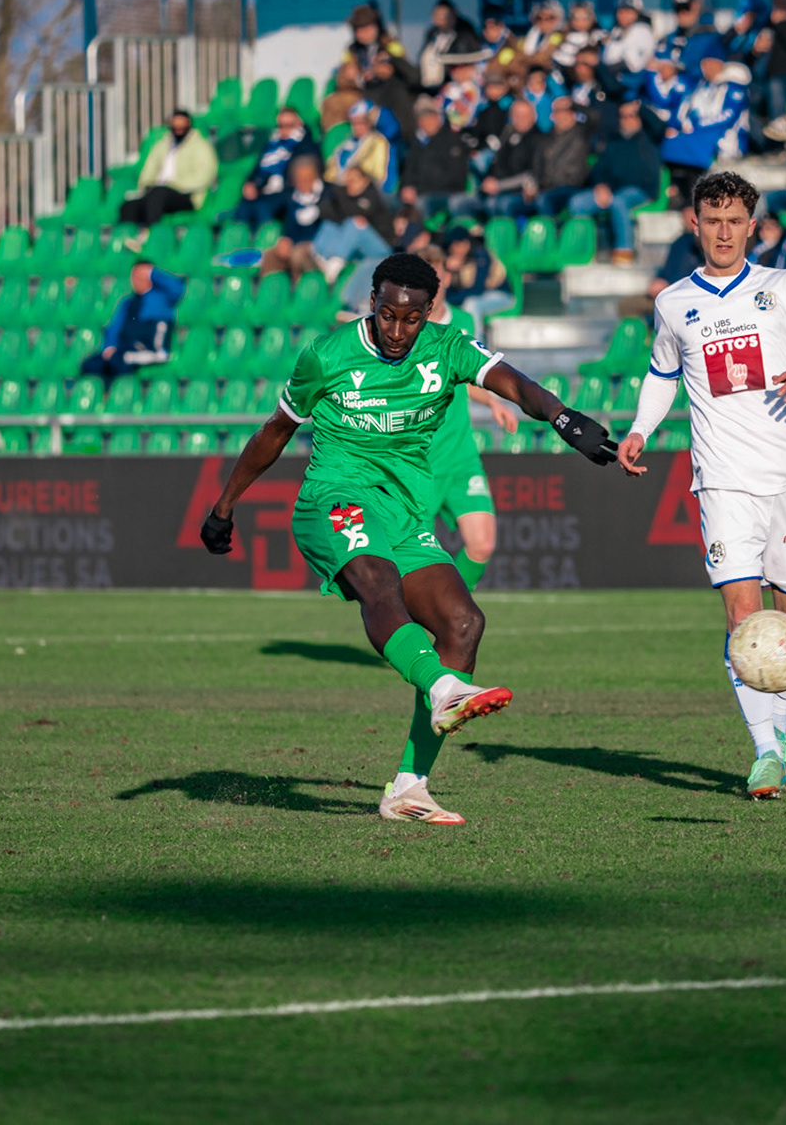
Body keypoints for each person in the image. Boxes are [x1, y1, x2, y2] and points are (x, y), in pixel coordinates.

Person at [198, 252, 616, 825]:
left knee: (463, 624)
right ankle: (441, 686)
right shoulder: (327, 354)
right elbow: (275, 432)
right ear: (372, 302)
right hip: (334, 497)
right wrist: (224, 506)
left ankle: (409, 787)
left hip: (402, 512)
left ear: (429, 312)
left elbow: (514, 383)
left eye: (411, 318)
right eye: (388, 315)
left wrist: (563, 418)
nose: (397, 330)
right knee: (379, 583)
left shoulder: (448, 347)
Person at [616, 170, 786, 800]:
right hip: (722, 481)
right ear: (694, 224)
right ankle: (764, 752)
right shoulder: (674, 303)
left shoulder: (785, 289)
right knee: (742, 615)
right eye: (712, 221)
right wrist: (640, 428)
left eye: (734, 222)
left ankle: (778, 729)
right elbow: (662, 374)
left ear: (753, 227)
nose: (723, 233)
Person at [421, 251, 518, 591]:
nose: (432, 288)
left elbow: (468, 375)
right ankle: (418, 614)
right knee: (415, 558)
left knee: (482, 544)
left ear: (447, 279)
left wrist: (493, 402)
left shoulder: (463, 320)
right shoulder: (409, 330)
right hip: (420, 460)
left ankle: (451, 607)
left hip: (460, 455)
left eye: (436, 279)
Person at [570, 100, 660, 259]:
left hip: (641, 190)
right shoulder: (612, 141)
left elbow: (659, 126)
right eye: (624, 116)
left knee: (619, 201)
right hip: (612, 191)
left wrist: (640, 107)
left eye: (632, 116)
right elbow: (599, 168)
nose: (628, 120)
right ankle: (584, 249)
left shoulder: (650, 137)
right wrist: (600, 186)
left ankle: (624, 250)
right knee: (577, 203)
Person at [659, 56, 752, 203]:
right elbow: (684, 111)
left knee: (693, 149)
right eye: (703, 64)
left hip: (725, 139)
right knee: (673, 144)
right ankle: (678, 194)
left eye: (710, 63)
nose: (705, 68)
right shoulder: (700, 85)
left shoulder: (734, 86)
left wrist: (697, 126)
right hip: (697, 135)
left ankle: (694, 199)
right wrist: (680, 126)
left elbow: (728, 116)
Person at [82, 257, 185, 384]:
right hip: (125, 350)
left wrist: (152, 272)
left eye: (141, 275)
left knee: (119, 361)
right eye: (134, 275)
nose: (136, 279)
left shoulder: (161, 298)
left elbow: (177, 289)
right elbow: (115, 326)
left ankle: (124, 392)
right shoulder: (128, 302)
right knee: (91, 365)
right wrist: (109, 346)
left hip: (152, 352)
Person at [119, 109, 217, 229]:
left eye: (182, 126)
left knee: (158, 195)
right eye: (175, 126)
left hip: (187, 195)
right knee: (129, 206)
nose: (178, 129)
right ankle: (127, 236)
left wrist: (172, 184)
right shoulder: (162, 144)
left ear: (189, 126)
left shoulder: (201, 146)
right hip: (157, 191)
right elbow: (148, 170)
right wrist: (146, 185)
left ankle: (152, 234)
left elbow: (204, 176)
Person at [231, 107, 320, 227]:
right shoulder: (271, 145)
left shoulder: (306, 146)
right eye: (281, 126)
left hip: (288, 192)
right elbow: (257, 169)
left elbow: (305, 176)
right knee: (243, 208)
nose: (284, 129)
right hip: (265, 191)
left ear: (299, 124)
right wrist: (251, 184)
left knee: (262, 208)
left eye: (289, 125)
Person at [455, 98, 543, 219]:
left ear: (533, 117)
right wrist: (487, 181)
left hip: (517, 193)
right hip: (494, 190)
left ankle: (499, 231)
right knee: (459, 203)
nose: (520, 118)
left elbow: (532, 175)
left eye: (524, 115)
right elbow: (495, 164)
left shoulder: (539, 140)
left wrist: (499, 186)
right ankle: (472, 230)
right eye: (516, 115)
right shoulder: (507, 136)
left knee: (495, 204)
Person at [398, 98, 469, 218]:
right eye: (423, 119)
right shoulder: (417, 144)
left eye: (430, 118)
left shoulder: (453, 141)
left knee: (420, 204)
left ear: (437, 119)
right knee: (391, 202)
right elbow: (408, 170)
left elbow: (455, 177)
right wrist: (407, 187)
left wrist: (418, 190)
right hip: (419, 192)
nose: (427, 122)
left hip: (445, 193)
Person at [259, 156, 328, 274]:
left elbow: (330, 227)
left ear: (315, 177)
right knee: (270, 255)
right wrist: (285, 240)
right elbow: (288, 227)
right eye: (300, 179)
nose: (303, 182)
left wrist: (310, 244)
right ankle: (271, 285)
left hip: (317, 247)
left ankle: (299, 285)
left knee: (297, 254)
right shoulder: (291, 198)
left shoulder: (327, 195)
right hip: (294, 244)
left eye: (307, 178)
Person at [529, 96, 591, 216]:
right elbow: (537, 166)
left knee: (543, 199)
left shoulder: (581, 133)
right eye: (558, 111)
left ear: (573, 114)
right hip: (547, 187)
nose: (562, 115)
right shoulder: (546, 138)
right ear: (553, 116)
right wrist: (535, 185)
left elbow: (594, 117)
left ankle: (552, 227)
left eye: (566, 111)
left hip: (572, 186)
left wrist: (574, 105)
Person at [327, 101, 395, 193]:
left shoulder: (379, 142)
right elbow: (331, 172)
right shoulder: (346, 144)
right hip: (342, 193)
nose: (357, 127)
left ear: (369, 123)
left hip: (369, 192)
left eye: (361, 123)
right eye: (354, 123)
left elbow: (381, 176)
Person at [417, 0, 482, 92]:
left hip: (455, 87)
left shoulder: (464, 35)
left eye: (444, 15)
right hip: (430, 86)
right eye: (436, 14)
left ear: (453, 16)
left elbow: (465, 62)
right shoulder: (432, 34)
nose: (440, 18)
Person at [600, 0, 656, 95]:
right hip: (614, 85)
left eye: (629, 11)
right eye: (621, 11)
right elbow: (607, 59)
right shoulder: (616, 30)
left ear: (637, 13)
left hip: (634, 88)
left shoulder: (643, 30)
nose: (624, 15)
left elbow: (634, 65)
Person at [650, 206, 704, 301]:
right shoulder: (680, 241)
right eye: (684, 215)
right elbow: (666, 270)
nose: (686, 219)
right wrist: (660, 279)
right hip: (672, 288)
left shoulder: (705, 242)